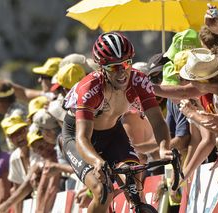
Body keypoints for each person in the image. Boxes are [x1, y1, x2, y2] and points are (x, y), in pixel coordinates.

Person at [61, 32, 173, 213]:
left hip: (113, 133)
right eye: (114, 68)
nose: (122, 72)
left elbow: (158, 122)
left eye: (126, 64)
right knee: (102, 190)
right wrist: (96, 161)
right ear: (101, 67)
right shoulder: (89, 88)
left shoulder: (138, 80)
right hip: (79, 138)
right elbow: (82, 138)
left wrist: (163, 148)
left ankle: (137, 206)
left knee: (134, 179)